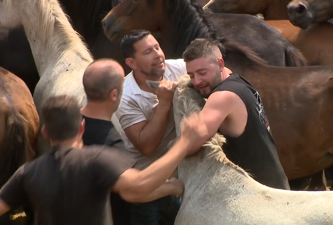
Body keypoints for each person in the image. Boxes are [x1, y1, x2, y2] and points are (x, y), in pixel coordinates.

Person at [0, 95, 207, 225]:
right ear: (82, 127)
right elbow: (140, 186)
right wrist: (184, 143)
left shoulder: (27, 172)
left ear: (45, 133)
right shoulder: (97, 159)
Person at [182, 38, 290, 190]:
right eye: (191, 75)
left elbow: (189, 145)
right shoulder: (236, 81)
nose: (197, 81)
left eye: (202, 73)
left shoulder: (222, 96)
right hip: (276, 184)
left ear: (220, 64)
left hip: (259, 195)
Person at [117, 30, 187, 224]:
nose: (158, 54)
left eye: (157, 47)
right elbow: (146, 147)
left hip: (183, 179)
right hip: (149, 187)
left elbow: (221, 70)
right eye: (148, 52)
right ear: (131, 63)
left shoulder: (178, 68)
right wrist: (164, 104)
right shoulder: (126, 96)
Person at [80, 58, 131, 225]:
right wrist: (172, 186)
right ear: (114, 94)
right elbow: (133, 190)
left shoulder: (66, 122)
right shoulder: (113, 144)